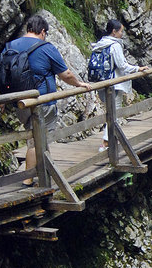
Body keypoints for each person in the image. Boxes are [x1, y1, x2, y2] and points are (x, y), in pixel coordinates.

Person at [5, 13, 91, 184]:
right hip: (41, 101)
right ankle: (28, 179)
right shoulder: (46, 48)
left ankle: (46, 171)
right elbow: (65, 74)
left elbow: (3, 73)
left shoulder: (11, 45)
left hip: (19, 102)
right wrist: (79, 84)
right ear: (42, 31)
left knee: (39, 138)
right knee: (36, 141)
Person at [90, 19, 143, 152]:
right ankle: (106, 143)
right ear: (114, 31)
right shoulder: (114, 45)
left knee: (111, 111)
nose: (122, 34)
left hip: (102, 82)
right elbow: (122, 66)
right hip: (114, 83)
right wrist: (138, 69)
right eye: (121, 31)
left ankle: (111, 139)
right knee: (115, 112)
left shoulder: (101, 44)